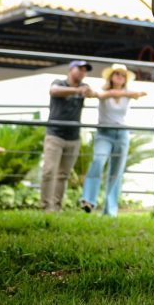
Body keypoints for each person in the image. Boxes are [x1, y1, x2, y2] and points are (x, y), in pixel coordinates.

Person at [80, 63, 146, 216]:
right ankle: (88, 200)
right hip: (104, 133)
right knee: (98, 161)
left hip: (122, 134)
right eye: (117, 74)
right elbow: (95, 94)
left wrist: (129, 94)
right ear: (111, 76)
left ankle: (110, 210)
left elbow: (139, 94)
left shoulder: (128, 92)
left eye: (123, 75)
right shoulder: (103, 91)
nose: (120, 77)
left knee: (116, 172)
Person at [41, 60, 96, 212]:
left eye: (85, 70)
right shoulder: (59, 83)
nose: (82, 72)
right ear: (71, 69)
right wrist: (77, 91)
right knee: (49, 171)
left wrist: (89, 92)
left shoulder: (84, 87)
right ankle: (46, 208)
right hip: (55, 135)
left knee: (63, 175)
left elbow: (94, 94)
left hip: (73, 137)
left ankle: (56, 208)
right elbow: (54, 91)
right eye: (80, 69)